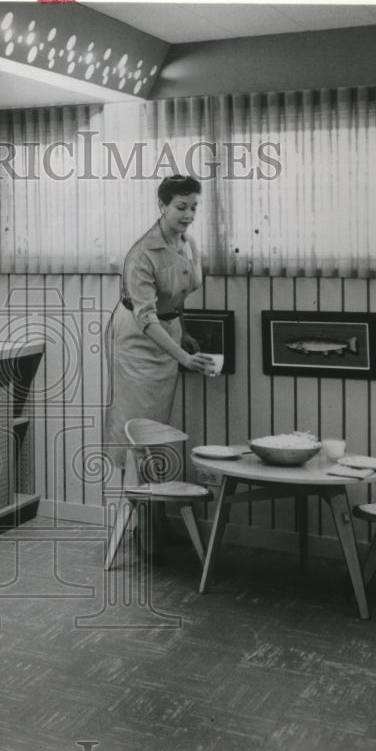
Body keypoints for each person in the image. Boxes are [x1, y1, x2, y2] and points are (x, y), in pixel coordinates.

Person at [104, 174, 218, 562]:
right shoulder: (143, 253)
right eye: (180, 207)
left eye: (193, 207)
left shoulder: (187, 245)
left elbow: (176, 299)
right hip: (138, 339)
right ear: (162, 206)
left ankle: (155, 520)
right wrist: (183, 357)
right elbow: (146, 317)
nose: (188, 215)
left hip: (166, 333)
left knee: (160, 431)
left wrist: (181, 334)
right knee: (137, 429)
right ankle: (141, 526)